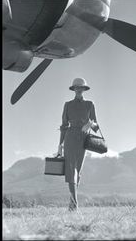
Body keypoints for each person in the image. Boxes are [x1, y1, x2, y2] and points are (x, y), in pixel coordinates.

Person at [57, 77, 100, 212]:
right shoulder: (67, 105)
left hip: (84, 138)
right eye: (76, 87)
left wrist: (89, 124)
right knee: (70, 169)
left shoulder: (90, 104)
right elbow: (64, 126)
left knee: (78, 170)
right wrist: (60, 145)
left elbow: (96, 127)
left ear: (84, 89)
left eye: (81, 87)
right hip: (70, 137)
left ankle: (72, 201)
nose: (78, 89)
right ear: (73, 89)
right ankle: (75, 203)